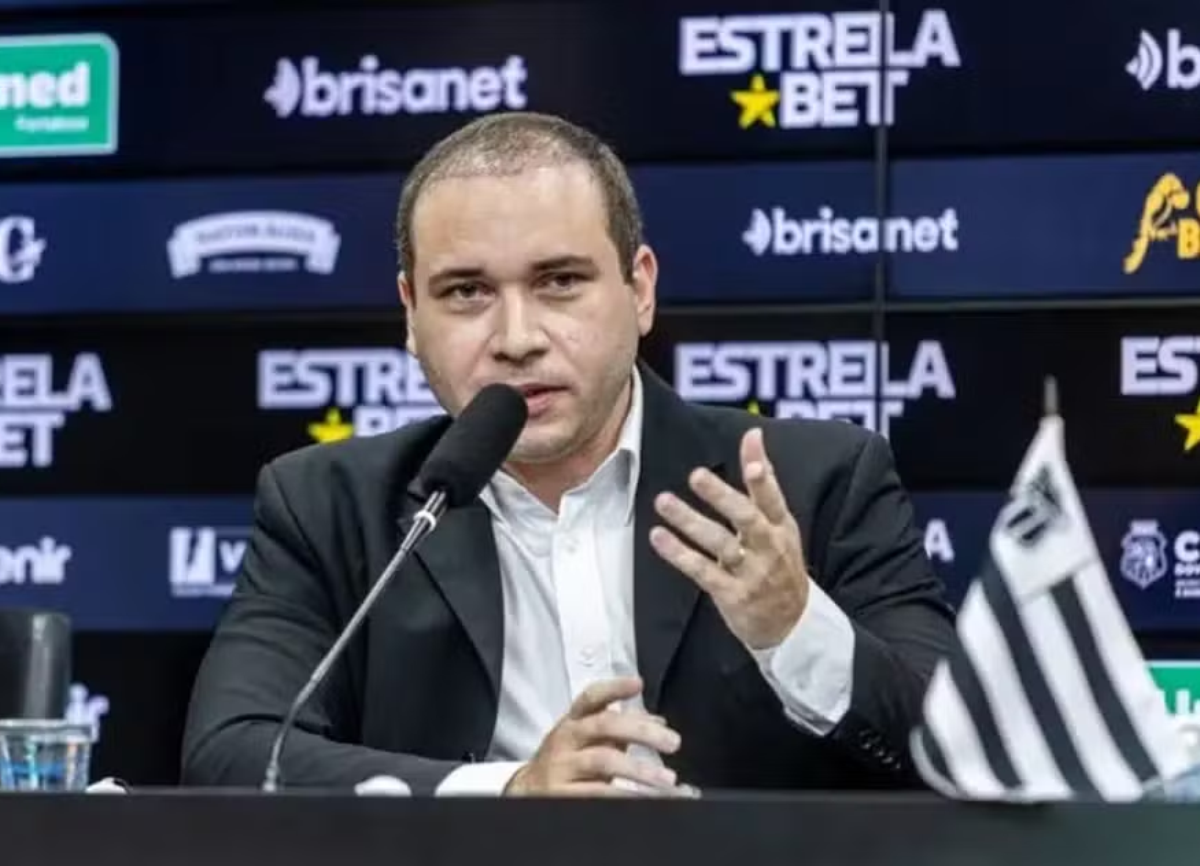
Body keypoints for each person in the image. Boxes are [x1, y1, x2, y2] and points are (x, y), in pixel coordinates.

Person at [181, 111, 955, 797]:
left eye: (558, 281)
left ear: (639, 289)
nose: (517, 338)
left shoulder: (815, 483)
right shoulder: (328, 506)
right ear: (411, 314)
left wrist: (796, 628)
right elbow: (233, 756)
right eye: (466, 292)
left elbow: (955, 751)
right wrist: (509, 793)